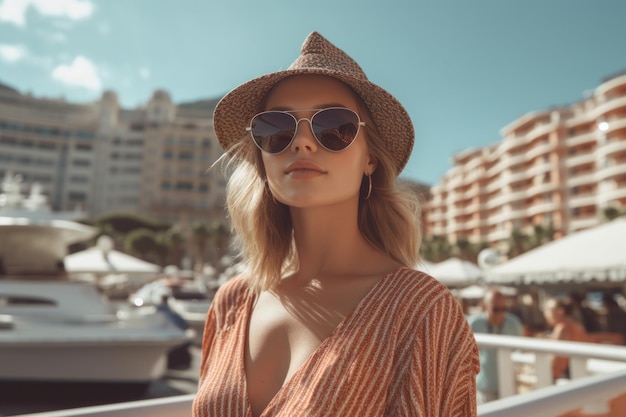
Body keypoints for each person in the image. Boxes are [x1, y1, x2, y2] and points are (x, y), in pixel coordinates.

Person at [192, 32, 479, 417]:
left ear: (370, 159)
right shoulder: (231, 302)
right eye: (276, 129)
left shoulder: (420, 311)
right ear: (261, 158)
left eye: (334, 127)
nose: (303, 143)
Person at [468, 288, 523, 404]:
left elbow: (520, 350)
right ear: (485, 306)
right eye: (496, 309)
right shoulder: (474, 324)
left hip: (508, 384)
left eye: (504, 309)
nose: (501, 313)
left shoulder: (513, 324)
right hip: (484, 386)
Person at [543, 297, 590, 380]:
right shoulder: (577, 325)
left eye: (548, 310)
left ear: (560, 311)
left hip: (567, 377)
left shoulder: (562, 329)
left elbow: (557, 362)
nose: (545, 313)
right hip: (580, 374)